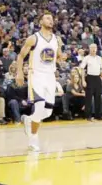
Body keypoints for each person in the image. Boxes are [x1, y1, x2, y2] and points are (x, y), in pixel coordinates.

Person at [16, 12, 63, 152]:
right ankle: (33, 139)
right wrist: (19, 72)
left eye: (52, 18)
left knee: (47, 113)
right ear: (40, 21)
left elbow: (59, 57)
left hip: (50, 76)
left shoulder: (56, 39)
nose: (51, 20)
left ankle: (28, 120)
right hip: (36, 74)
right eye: (48, 18)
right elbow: (21, 56)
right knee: (40, 105)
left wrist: (62, 56)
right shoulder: (33, 38)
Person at [79, 43, 102, 121]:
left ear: (97, 49)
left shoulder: (99, 58)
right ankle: (88, 116)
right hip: (89, 78)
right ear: (89, 49)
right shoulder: (86, 58)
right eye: (92, 48)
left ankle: (98, 115)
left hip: (98, 78)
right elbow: (82, 69)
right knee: (89, 98)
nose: (93, 49)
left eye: (95, 47)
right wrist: (83, 80)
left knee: (98, 97)